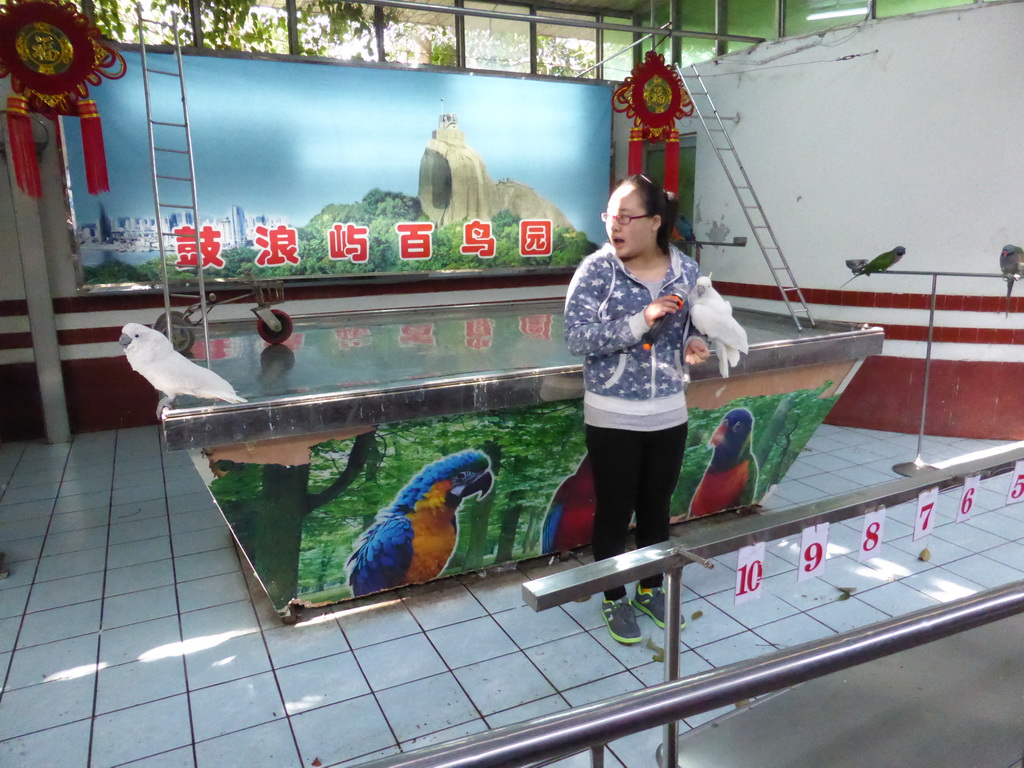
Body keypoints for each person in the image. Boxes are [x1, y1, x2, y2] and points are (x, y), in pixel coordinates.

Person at [564, 174, 710, 645]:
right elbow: (577, 338)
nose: (615, 225)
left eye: (626, 216)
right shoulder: (595, 271)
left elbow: (692, 321)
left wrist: (694, 342)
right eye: (610, 215)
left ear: (655, 222)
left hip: (669, 410)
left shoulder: (685, 272)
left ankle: (651, 589)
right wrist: (639, 320)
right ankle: (613, 596)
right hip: (612, 414)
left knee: (655, 507)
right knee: (614, 509)